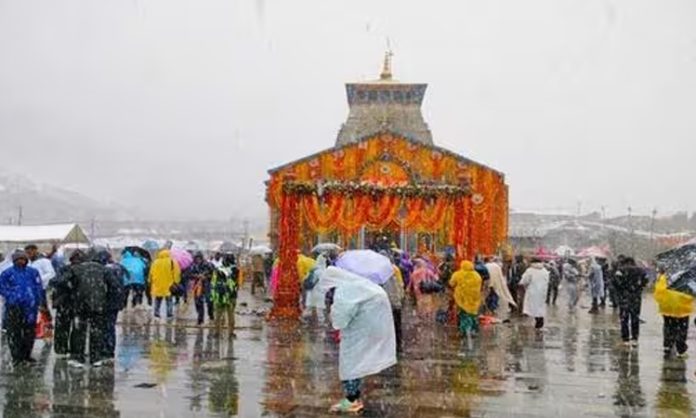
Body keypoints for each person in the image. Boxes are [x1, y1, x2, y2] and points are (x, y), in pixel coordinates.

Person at [326, 269, 396, 414]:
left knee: (349, 366)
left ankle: (352, 400)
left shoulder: (345, 289)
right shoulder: (363, 285)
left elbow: (340, 319)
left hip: (355, 334)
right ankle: (354, 397)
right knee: (356, 365)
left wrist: (333, 312)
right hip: (367, 331)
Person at [62, 250, 110, 367]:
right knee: (96, 331)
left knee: (78, 331)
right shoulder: (103, 269)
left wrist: (71, 293)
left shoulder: (75, 269)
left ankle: (78, 357)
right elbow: (113, 285)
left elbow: (61, 282)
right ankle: (96, 357)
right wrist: (107, 301)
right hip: (98, 305)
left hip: (80, 305)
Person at [0, 250, 45, 365]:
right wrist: (12, 296)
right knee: (14, 332)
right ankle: (17, 356)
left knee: (29, 333)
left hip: (30, 308)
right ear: (15, 260)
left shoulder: (33, 272)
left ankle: (26, 355)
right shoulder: (7, 273)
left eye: (23, 259)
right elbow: (2, 287)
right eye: (19, 259)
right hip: (14, 307)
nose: (21, 261)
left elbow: (39, 286)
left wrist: (39, 300)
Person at [654, 267, 693, 358]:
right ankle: (681, 348)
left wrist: (663, 302)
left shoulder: (664, 277)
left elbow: (658, 292)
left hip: (667, 307)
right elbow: (691, 293)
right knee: (682, 328)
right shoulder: (686, 278)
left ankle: (667, 345)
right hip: (682, 308)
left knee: (668, 326)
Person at [47, 252, 81, 357]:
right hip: (69, 303)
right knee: (72, 328)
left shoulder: (75, 270)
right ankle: (68, 350)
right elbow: (55, 281)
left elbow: (54, 281)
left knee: (70, 328)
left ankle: (65, 350)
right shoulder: (67, 270)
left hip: (69, 303)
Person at [95, 250, 126, 361]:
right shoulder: (118, 267)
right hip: (116, 302)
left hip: (107, 302)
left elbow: (106, 287)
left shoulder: (105, 270)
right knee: (110, 325)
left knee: (105, 326)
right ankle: (110, 349)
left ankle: (105, 349)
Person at [614, 257, 649, 346]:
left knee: (624, 318)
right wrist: (639, 287)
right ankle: (634, 338)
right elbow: (646, 279)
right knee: (635, 317)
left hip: (624, 297)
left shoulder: (620, 270)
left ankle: (625, 338)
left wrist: (621, 289)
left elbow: (616, 282)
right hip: (636, 297)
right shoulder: (640, 271)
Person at [449, 261, 483, 337]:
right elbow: (480, 284)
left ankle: (464, 330)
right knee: (473, 314)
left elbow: (451, 283)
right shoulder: (477, 275)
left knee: (463, 314)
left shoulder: (458, 274)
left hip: (462, 298)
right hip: (474, 298)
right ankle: (473, 329)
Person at [211, 254, 239, 338]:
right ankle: (231, 333)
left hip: (219, 295)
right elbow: (236, 284)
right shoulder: (235, 270)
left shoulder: (218, 269)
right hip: (231, 296)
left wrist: (213, 295)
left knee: (218, 315)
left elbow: (213, 282)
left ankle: (217, 332)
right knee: (231, 315)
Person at [149, 250, 181, 321]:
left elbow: (151, 273)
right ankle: (169, 315)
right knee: (169, 300)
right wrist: (176, 281)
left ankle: (156, 314)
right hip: (169, 285)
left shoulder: (155, 262)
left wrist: (150, 281)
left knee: (158, 300)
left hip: (158, 284)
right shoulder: (172, 262)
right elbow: (177, 273)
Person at [184, 252, 215, 325]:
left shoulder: (208, 265)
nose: (198, 260)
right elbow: (188, 275)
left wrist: (206, 277)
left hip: (207, 285)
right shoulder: (194, 266)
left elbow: (214, 274)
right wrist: (197, 276)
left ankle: (211, 316)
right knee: (198, 302)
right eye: (197, 258)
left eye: (199, 258)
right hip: (198, 286)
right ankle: (200, 319)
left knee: (209, 301)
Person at [520, 258, 550, 330]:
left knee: (532, 307)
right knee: (540, 307)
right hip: (542, 292)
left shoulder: (530, 270)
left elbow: (525, 280)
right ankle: (540, 320)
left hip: (532, 291)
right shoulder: (544, 271)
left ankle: (538, 322)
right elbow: (547, 281)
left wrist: (522, 284)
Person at [382, 265, 405, 351]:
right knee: (397, 325)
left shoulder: (382, 280)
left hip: (388, 305)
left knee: (389, 326)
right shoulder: (395, 273)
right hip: (396, 305)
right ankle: (398, 344)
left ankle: (391, 344)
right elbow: (401, 287)